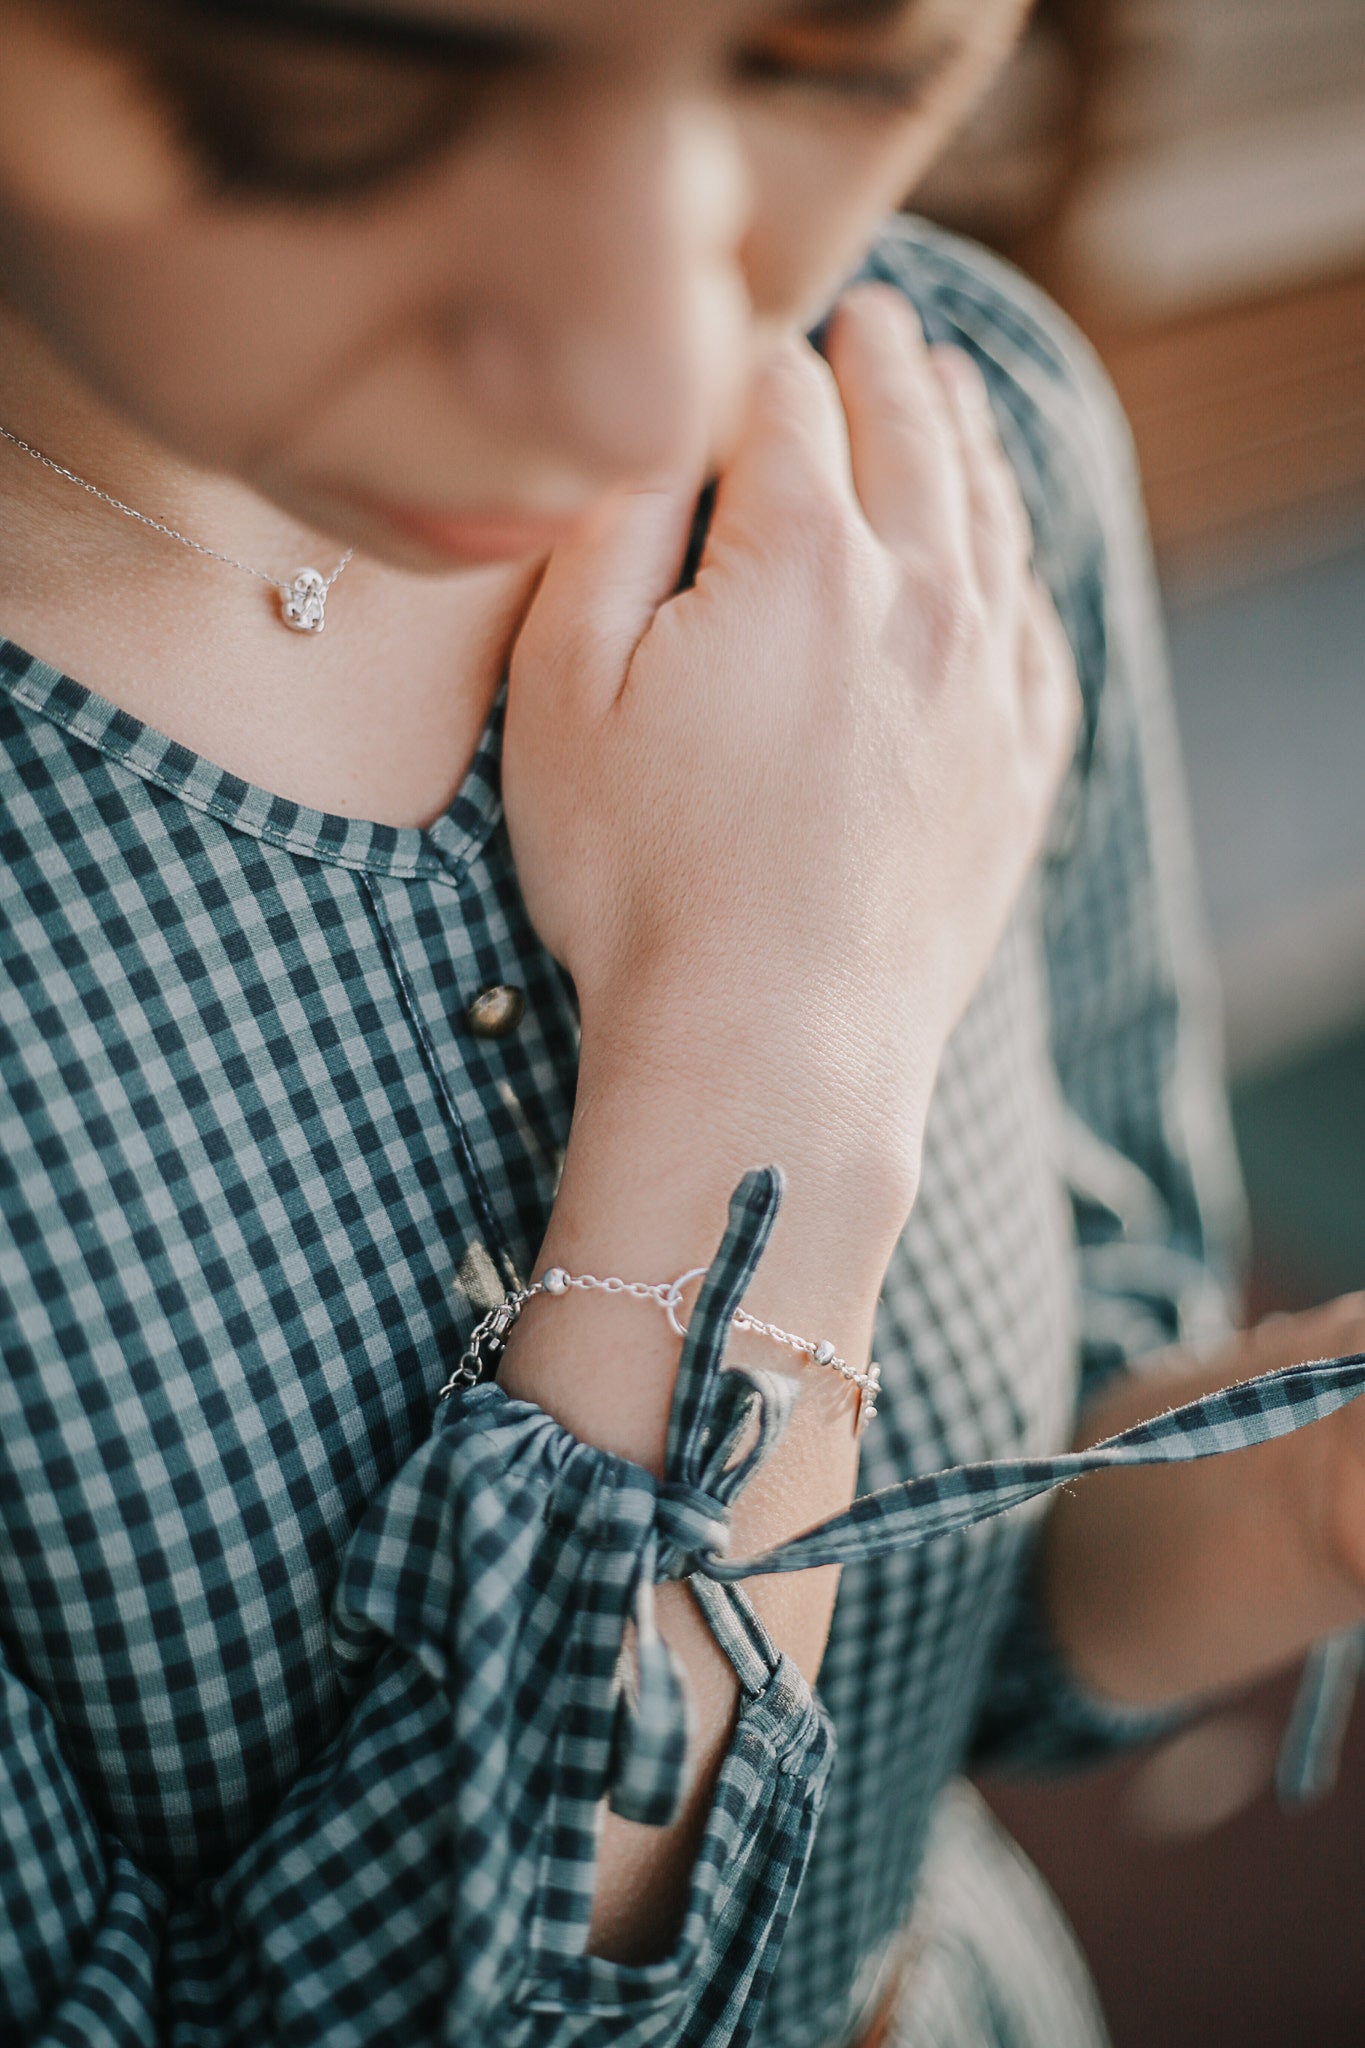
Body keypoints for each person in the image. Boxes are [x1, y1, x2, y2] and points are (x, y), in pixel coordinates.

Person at [0, 3, 1361, 2044]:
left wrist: (1300, 1493)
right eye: (346, 88)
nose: (651, 374)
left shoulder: (951, 437)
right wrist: (767, 1056)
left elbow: (986, 1607)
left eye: (841, 62)